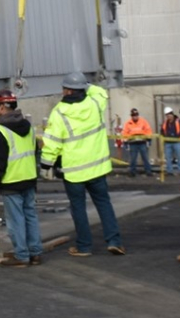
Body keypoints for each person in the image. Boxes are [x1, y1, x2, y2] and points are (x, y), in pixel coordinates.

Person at [42, 72, 125, 257]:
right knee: (104, 204)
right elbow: (101, 92)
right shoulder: (95, 103)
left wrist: (45, 165)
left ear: (68, 90)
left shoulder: (59, 112)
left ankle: (84, 247)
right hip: (97, 167)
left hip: (74, 171)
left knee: (78, 208)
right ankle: (114, 241)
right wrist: (86, 84)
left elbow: (52, 142)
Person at [0, 89, 43, 267]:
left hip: (12, 181)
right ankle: (35, 253)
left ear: (3, 107)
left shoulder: (1, 131)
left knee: (16, 220)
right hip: (29, 179)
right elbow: (35, 152)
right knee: (30, 216)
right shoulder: (28, 127)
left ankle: (21, 256)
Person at [120, 108, 154, 176]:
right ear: (131, 116)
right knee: (133, 159)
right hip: (133, 143)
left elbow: (148, 130)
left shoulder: (143, 122)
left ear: (138, 115)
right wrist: (125, 142)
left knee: (145, 158)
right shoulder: (128, 123)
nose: (135, 116)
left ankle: (148, 171)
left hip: (142, 142)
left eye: (136, 115)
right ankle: (132, 172)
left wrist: (149, 139)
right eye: (133, 115)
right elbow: (124, 133)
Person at [160, 107, 180, 175]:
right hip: (168, 142)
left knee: (179, 156)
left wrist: (176, 136)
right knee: (168, 157)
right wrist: (165, 137)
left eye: (169, 114)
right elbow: (162, 131)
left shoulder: (178, 121)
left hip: (177, 142)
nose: (168, 116)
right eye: (167, 115)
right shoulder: (165, 123)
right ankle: (169, 171)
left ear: (172, 114)